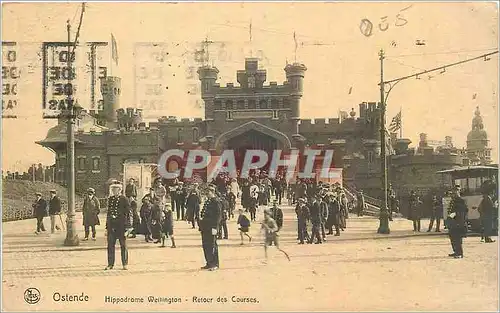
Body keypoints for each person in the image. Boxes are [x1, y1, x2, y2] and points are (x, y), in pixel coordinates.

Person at [105, 183, 131, 270]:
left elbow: (128, 214)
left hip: (121, 226)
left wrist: (128, 228)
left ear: (119, 190)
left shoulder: (124, 199)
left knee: (123, 246)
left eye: (115, 190)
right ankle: (110, 264)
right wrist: (107, 227)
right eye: (113, 190)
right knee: (110, 246)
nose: (113, 191)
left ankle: (125, 264)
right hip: (112, 226)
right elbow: (109, 213)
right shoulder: (111, 199)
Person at [199, 186, 221, 271]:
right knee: (206, 245)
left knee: (212, 245)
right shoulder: (208, 201)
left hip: (212, 227)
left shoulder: (216, 202)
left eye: (208, 193)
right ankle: (209, 262)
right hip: (205, 226)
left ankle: (215, 264)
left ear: (212, 192)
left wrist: (215, 227)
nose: (206, 194)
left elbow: (218, 216)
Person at [447, 186, 468, 258]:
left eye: (455, 192)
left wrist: (455, 214)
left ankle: (459, 253)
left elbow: (464, 211)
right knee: (452, 237)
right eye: (453, 192)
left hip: (458, 222)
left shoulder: (461, 200)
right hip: (453, 222)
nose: (453, 193)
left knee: (457, 238)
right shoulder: (453, 200)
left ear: (458, 192)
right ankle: (455, 251)